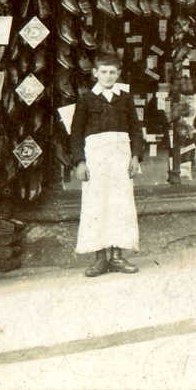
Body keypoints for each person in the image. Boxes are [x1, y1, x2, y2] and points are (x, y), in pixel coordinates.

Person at [71, 51, 142, 276]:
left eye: (113, 72)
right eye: (104, 72)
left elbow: (136, 130)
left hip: (120, 158)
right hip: (96, 160)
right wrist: (80, 162)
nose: (108, 76)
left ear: (119, 74)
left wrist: (135, 156)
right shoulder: (86, 99)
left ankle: (118, 256)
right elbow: (75, 134)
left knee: (120, 204)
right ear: (95, 74)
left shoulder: (125, 98)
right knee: (96, 205)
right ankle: (100, 258)